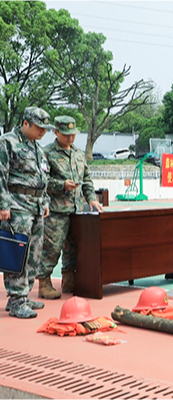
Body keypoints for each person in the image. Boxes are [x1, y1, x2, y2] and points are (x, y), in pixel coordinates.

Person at [37, 116, 104, 300]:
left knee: (73, 248)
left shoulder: (78, 153)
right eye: (66, 135)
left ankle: (69, 280)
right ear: (56, 132)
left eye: (73, 135)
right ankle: (44, 283)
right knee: (52, 248)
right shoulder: (47, 153)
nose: (70, 139)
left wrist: (91, 198)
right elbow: (42, 181)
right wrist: (61, 185)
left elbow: (87, 179)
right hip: (56, 211)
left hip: (76, 211)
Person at [0, 107, 54, 318]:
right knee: (17, 253)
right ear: (25, 124)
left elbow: (43, 177)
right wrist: (3, 204)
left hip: (36, 205)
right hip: (16, 205)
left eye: (45, 129)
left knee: (34, 253)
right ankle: (16, 300)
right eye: (39, 127)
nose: (43, 132)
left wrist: (46, 199)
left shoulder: (37, 148)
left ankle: (25, 294)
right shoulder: (8, 142)